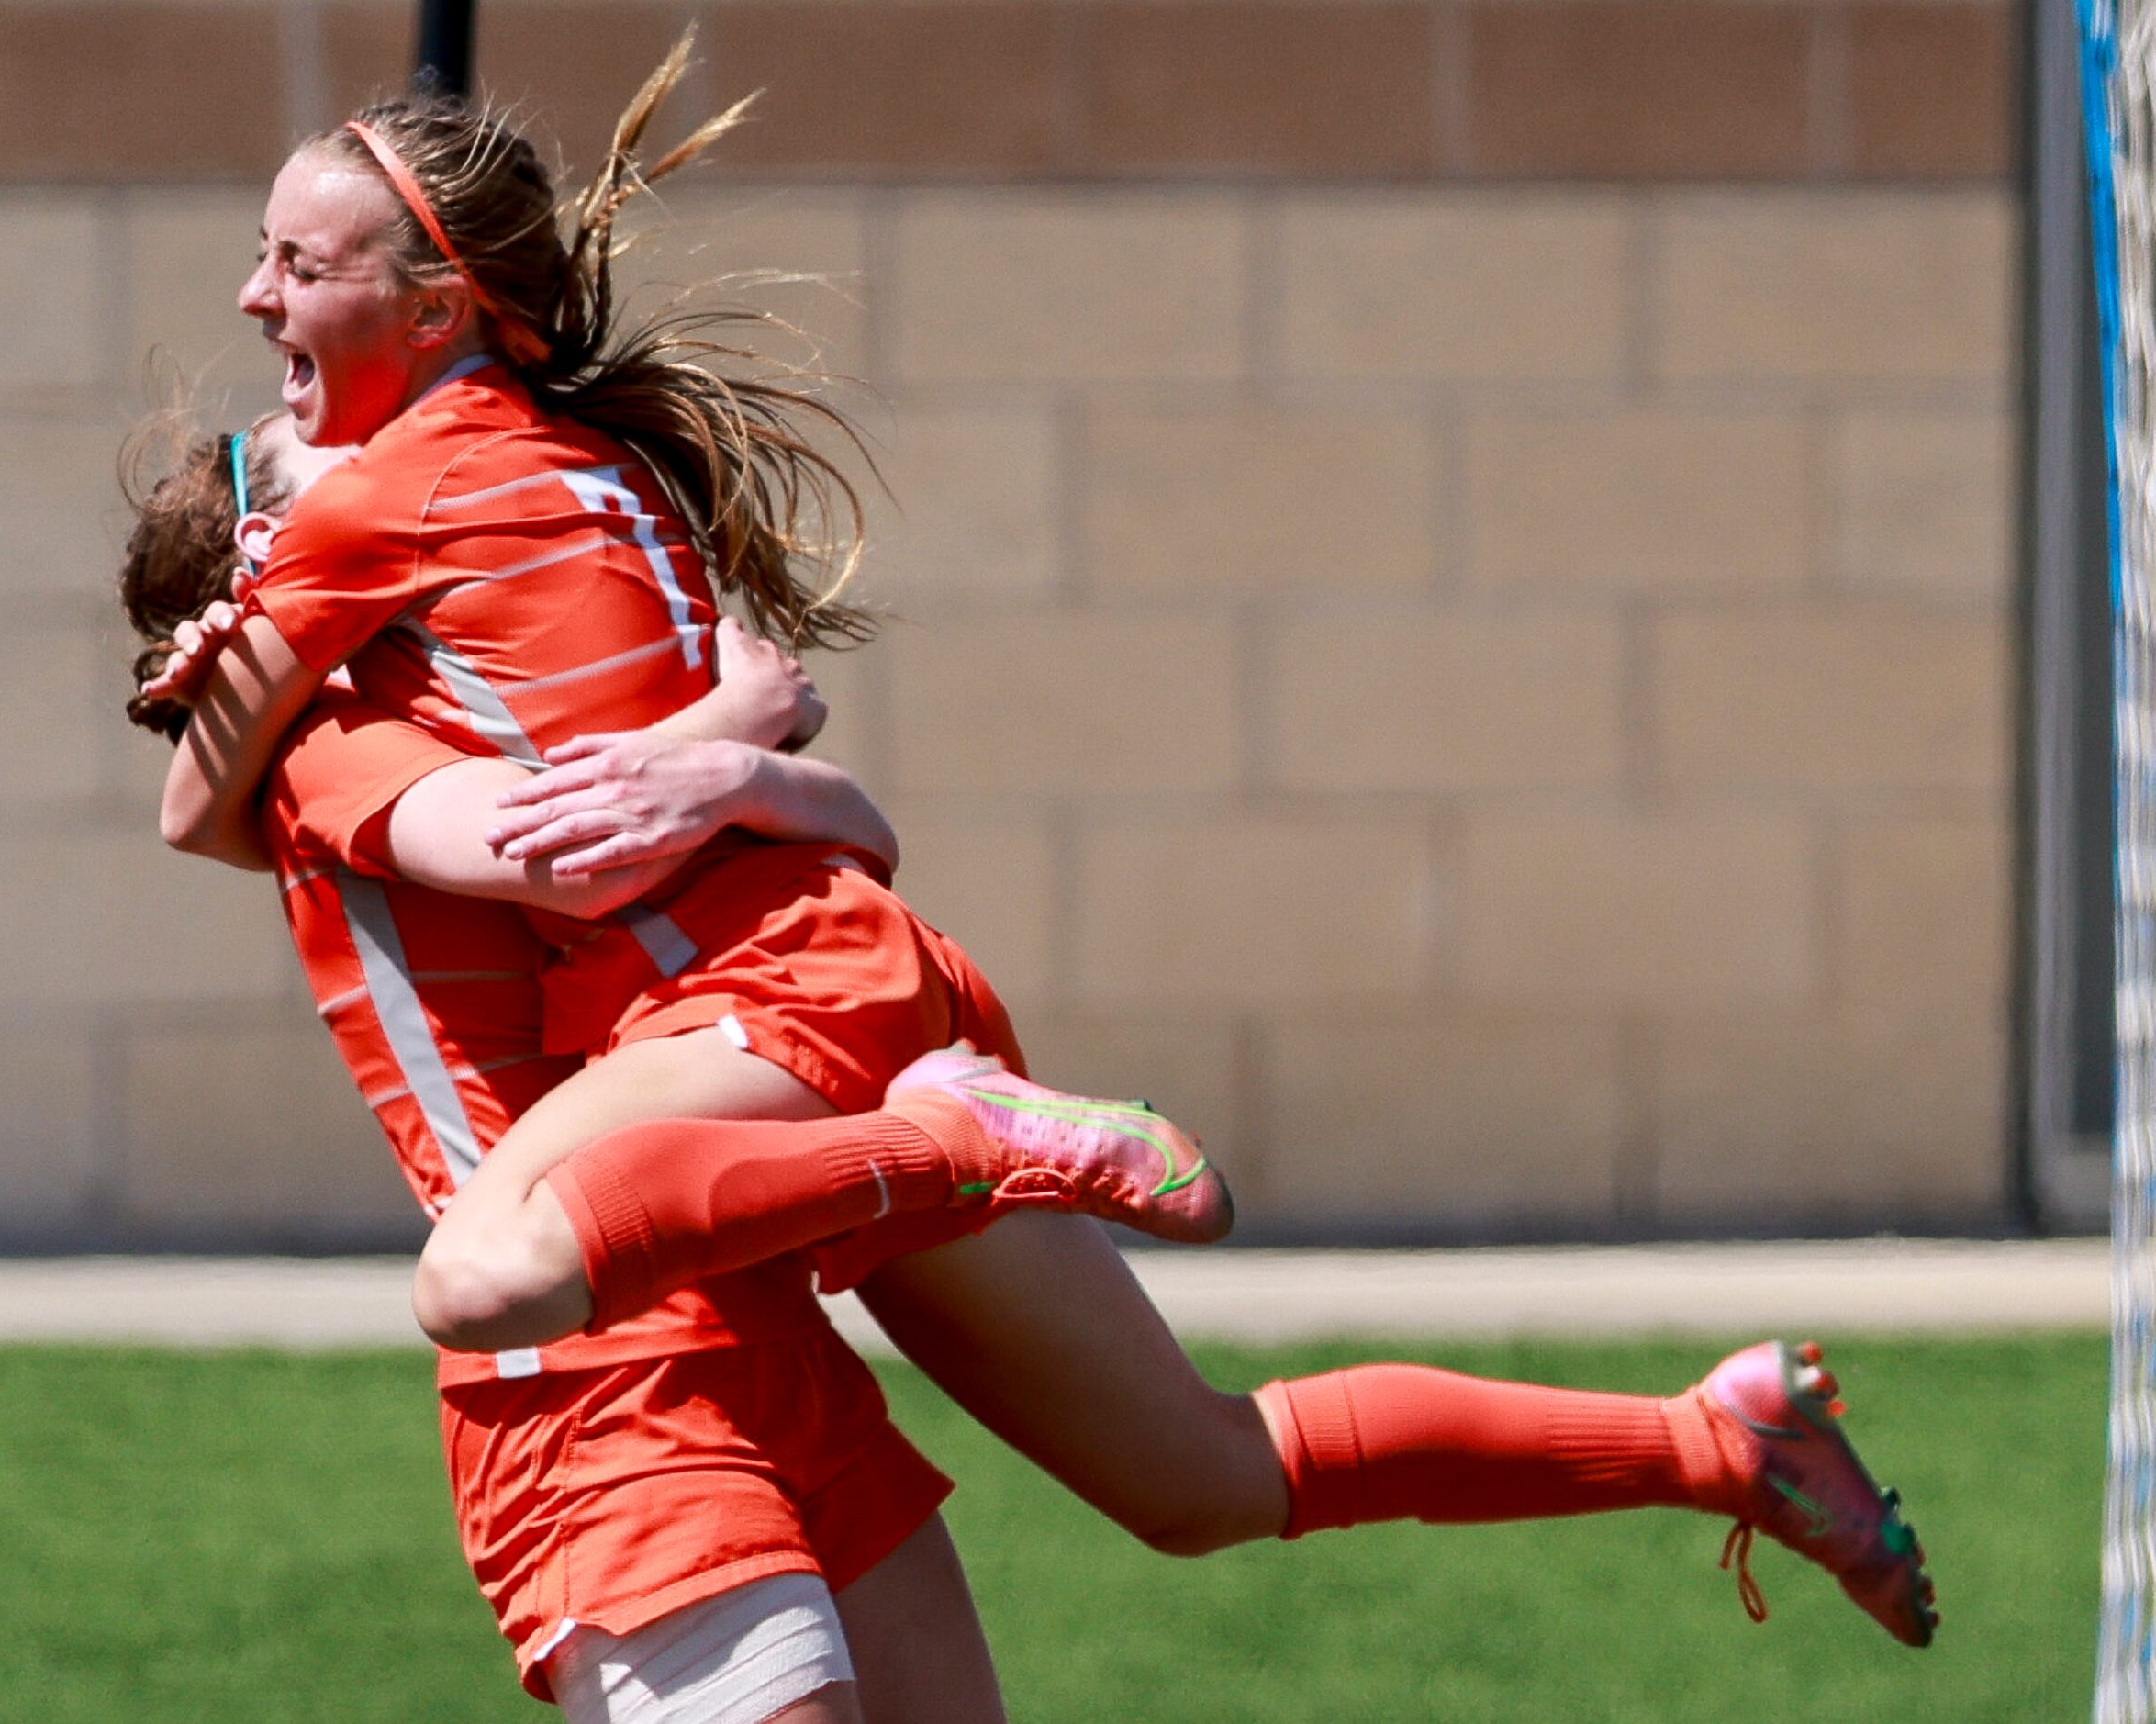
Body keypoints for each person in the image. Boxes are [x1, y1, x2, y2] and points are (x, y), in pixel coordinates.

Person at [146, 40, 1940, 1654]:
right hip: (844, 984)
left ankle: (943, 1151)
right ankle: (1717, 1443)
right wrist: (743, 745)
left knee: (488, 1270)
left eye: (299, 267)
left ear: (442, 308)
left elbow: (240, 808)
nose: (255, 303)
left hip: (759, 1024)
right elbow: (801, 785)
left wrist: (248, 654)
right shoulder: (596, 479)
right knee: (1195, 1478)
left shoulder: (371, 521)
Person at [124, 415, 1007, 1723]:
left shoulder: (503, 713)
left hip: (749, 1323)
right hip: (593, 1377)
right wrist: (736, 721)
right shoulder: (334, 744)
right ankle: (961, 1138)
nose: (419, 474)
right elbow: (570, 850)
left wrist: (752, 768)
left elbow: (856, 836)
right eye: (351, 468)